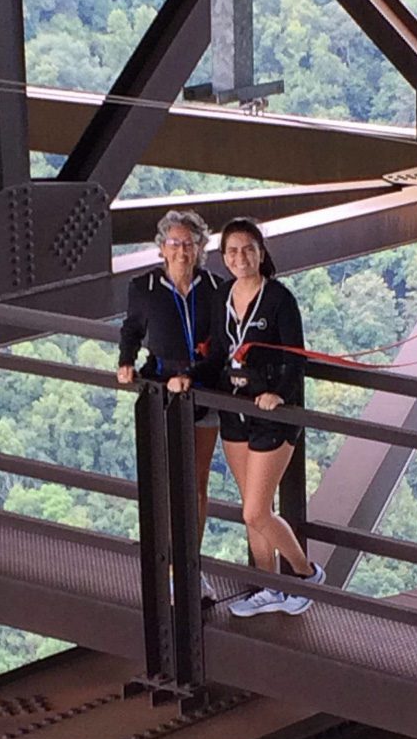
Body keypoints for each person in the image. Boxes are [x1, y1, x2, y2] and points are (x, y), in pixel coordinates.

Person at [192, 217, 326, 616]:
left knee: (256, 510)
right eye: (232, 251)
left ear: (261, 254)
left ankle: (305, 576)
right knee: (251, 509)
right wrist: (190, 379)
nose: (240, 257)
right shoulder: (222, 296)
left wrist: (278, 394)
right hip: (235, 410)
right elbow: (217, 353)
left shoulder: (280, 299)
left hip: (273, 413)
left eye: (248, 249)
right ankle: (268, 588)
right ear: (224, 258)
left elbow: (293, 357)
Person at [117, 210, 222, 563]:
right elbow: (131, 329)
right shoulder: (143, 288)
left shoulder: (215, 287)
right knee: (166, 480)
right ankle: (167, 559)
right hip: (161, 390)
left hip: (203, 389)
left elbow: (223, 342)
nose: (181, 251)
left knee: (196, 483)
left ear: (200, 249)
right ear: (162, 248)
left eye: (189, 244)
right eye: (174, 243)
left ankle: (190, 561)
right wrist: (125, 362)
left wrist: (195, 374)